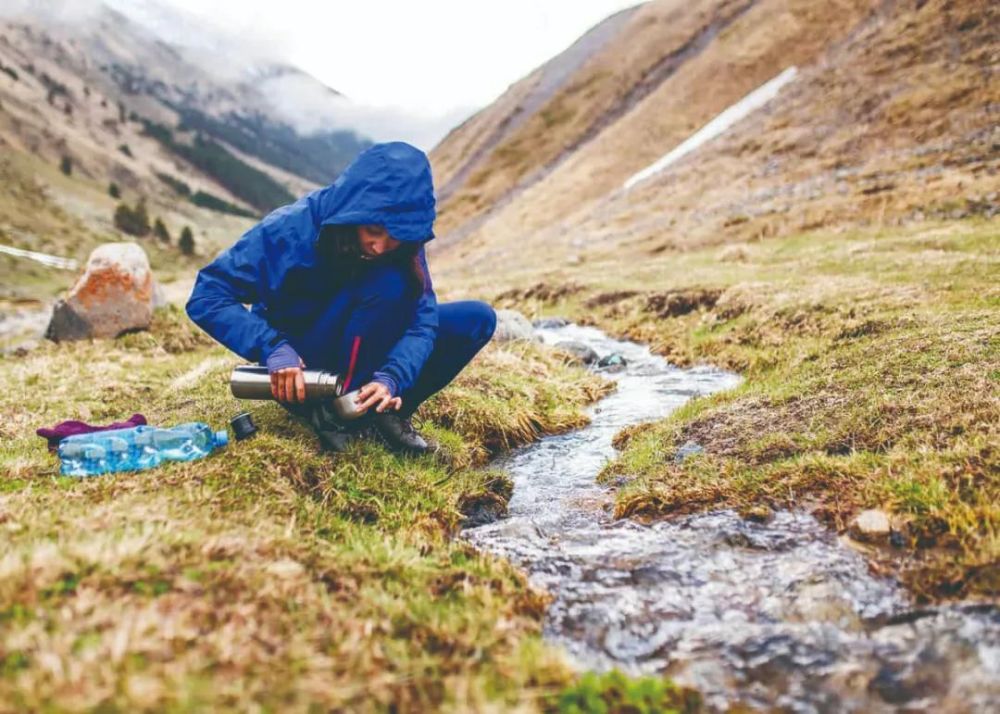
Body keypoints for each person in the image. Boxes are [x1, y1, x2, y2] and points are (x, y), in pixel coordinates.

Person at [185, 142, 496, 454]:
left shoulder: (404, 244)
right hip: (303, 368)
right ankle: (332, 416)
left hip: (363, 347)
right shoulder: (289, 231)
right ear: (354, 208)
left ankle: (385, 410)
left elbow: (421, 322)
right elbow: (208, 294)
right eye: (374, 230)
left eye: (395, 235)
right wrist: (272, 348)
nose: (380, 246)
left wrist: (393, 378)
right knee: (386, 283)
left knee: (476, 320)